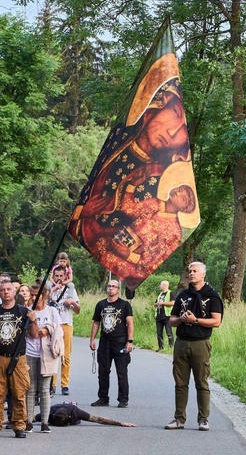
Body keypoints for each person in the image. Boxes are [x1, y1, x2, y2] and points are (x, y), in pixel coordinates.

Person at [68, 56, 199, 288]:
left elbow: (148, 254)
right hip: (102, 237)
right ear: (158, 104)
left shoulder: (163, 199)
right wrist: (84, 211)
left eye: (181, 130)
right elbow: (129, 207)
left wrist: (128, 254)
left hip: (124, 253)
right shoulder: (118, 147)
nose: (172, 132)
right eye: (175, 112)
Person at [165, 262, 223, 431]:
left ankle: (203, 419)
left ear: (203, 274)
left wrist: (195, 320)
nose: (191, 274)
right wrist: (182, 319)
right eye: (190, 271)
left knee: (201, 382)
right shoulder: (182, 295)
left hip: (200, 343)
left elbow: (216, 321)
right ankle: (179, 419)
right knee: (180, 383)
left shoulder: (212, 296)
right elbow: (172, 320)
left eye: (195, 271)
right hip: (182, 343)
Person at [0, 281, 38, 438]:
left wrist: (33, 320)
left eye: (9, 289)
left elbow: (34, 334)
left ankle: (19, 425)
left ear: (15, 292)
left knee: (19, 393)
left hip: (18, 359)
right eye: (2, 290)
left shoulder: (23, 311)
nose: (6, 292)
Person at [24, 282, 63, 434]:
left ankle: (45, 422)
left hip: (48, 354)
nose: (34, 297)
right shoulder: (27, 311)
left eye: (36, 295)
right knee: (31, 388)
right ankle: (28, 421)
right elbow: (32, 334)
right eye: (31, 294)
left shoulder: (52, 311)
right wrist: (33, 320)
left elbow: (61, 331)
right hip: (30, 352)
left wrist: (48, 329)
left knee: (44, 389)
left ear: (44, 295)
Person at [89, 280, 134, 408]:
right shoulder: (101, 304)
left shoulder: (124, 305)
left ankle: (123, 399)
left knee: (121, 372)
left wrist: (129, 341)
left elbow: (130, 323)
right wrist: (92, 339)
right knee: (103, 371)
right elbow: (96, 322)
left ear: (118, 290)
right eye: (109, 286)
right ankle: (103, 398)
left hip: (120, 342)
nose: (111, 289)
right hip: (105, 342)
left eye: (113, 287)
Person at [48, 265, 81, 396]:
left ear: (65, 276)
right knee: (52, 354)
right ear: (53, 276)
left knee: (66, 356)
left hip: (66, 324)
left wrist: (73, 302)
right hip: (53, 325)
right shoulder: (50, 288)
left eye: (62, 276)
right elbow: (43, 302)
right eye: (57, 276)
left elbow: (78, 310)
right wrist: (53, 290)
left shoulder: (70, 289)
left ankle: (65, 384)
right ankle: (52, 384)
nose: (59, 278)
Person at [35, 402, 135, 428]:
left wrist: (120, 423)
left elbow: (98, 419)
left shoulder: (76, 412)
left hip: (73, 416)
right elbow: (32, 419)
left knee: (79, 421)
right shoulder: (50, 412)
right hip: (55, 412)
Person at [155, 280, 174, 350]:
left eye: (160, 284)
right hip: (159, 316)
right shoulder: (160, 294)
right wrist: (157, 304)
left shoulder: (170, 293)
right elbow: (155, 303)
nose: (160, 286)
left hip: (167, 316)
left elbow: (172, 303)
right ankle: (161, 347)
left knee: (169, 332)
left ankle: (171, 347)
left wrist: (163, 303)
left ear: (164, 285)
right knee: (159, 333)